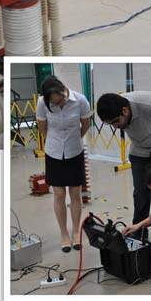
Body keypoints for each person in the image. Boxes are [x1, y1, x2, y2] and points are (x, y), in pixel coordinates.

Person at [96, 91, 151, 238]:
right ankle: (139, 232)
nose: (115, 127)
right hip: (139, 149)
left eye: (116, 122)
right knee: (140, 191)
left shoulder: (150, 103)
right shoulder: (120, 114)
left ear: (125, 110)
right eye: (111, 124)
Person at [36, 76, 91, 252]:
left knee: (75, 193)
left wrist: (75, 139)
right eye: (54, 103)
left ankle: (75, 232)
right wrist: (54, 141)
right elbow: (42, 127)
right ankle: (64, 234)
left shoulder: (80, 100)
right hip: (53, 152)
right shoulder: (42, 103)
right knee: (59, 194)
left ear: (63, 90)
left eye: (60, 101)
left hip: (75, 151)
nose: (58, 104)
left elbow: (85, 124)